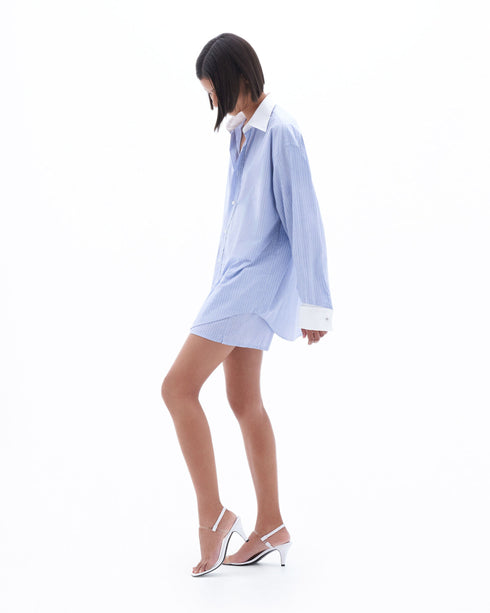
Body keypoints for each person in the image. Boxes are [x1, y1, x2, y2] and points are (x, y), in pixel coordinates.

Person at [160, 32, 334, 577]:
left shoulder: (281, 132)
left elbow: (305, 219)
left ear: (235, 75)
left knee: (177, 388)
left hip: (251, 288)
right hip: (233, 282)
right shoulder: (241, 133)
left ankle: (213, 518)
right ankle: (272, 523)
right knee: (244, 401)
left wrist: (315, 304)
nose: (211, 102)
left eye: (212, 90)